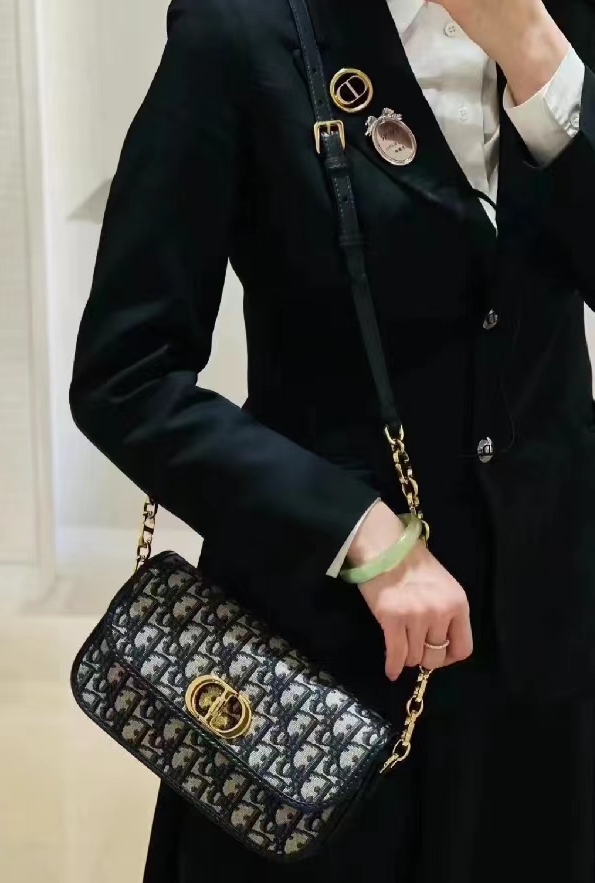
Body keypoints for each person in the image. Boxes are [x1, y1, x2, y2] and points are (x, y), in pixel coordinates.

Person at [69, 0, 595, 880]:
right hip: (322, 666)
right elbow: (127, 376)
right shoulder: (244, 29)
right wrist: (354, 527)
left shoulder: (567, 24)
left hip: (547, 642)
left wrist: (537, 54)